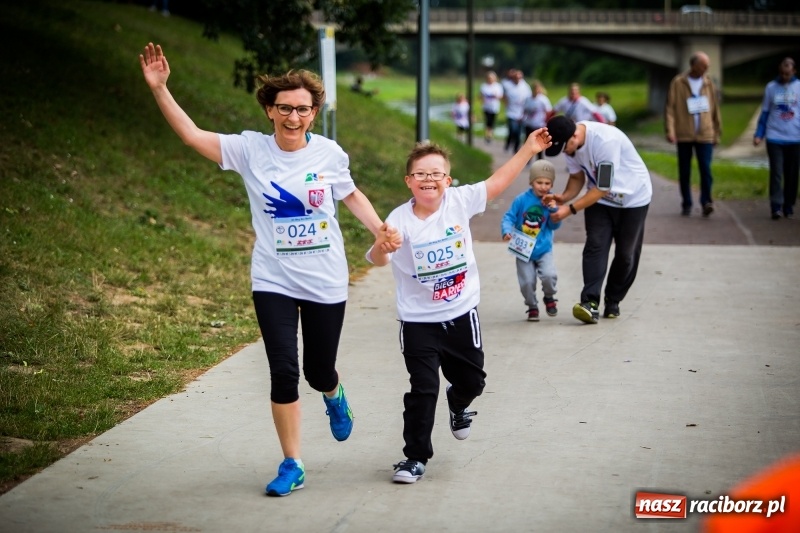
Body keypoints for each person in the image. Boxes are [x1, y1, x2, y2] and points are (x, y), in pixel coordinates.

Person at [139, 42, 400, 497]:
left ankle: (334, 395)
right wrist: (161, 90)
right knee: (283, 371)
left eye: (302, 109)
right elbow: (192, 135)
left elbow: (351, 195)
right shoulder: (249, 150)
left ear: (314, 112)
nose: (293, 118)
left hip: (324, 280)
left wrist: (380, 228)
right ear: (269, 110)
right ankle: (292, 462)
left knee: (319, 372)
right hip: (273, 278)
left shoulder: (330, 155)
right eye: (284, 108)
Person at [367, 128, 552, 484]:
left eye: (436, 174)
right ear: (409, 181)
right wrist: (381, 248)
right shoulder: (398, 220)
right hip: (418, 321)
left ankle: (459, 401)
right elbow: (377, 259)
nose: (429, 180)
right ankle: (414, 458)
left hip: (461, 315)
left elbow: (498, 182)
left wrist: (530, 148)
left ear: (447, 181)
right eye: (421, 174)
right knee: (423, 388)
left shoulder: (459, 201)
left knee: (472, 381)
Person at [544, 115, 652, 324]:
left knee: (626, 254)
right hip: (601, 203)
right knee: (595, 245)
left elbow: (603, 187)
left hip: (633, 199)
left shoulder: (605, 142)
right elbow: (577, 177)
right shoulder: (571, 145)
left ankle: (613, 299)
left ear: (575, 135)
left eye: (565, 147)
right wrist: (563, 197)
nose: (565, 152)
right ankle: (590, 303)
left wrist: (570, 209)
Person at [501, 159, 562, 322]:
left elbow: (554, 226)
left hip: (543, 248)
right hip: (522, 249)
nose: (543, 186)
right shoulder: (521, 200)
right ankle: (532, 306)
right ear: (531, 182)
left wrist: (554, 211)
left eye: (548, 183)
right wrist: (506, 231)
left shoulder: (550, 202)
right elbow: (509, 217)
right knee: (527, 281)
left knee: (549, 275)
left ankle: (549, 297)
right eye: (539, 182)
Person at [665, 51, 722, 217]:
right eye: (704, 65)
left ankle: (706, 201)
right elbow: (670, 108)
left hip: (705, 134)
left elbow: (715, 109)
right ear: (694, 65)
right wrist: (671, 130)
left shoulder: (709, 83)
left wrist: (716, 132)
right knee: (685, 171)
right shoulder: (678, 82)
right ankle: (687, 203)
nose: (707, 68)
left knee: (706, 169)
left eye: (708, 65)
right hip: (684, 134)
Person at [753, 57, 800, 220]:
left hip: (795, 137)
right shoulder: (771, 87)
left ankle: (788, 205)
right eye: (781, 73)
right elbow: (765, 112)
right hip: (775, 137)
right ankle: (776, 206)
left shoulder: (799, 87)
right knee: (777, 172)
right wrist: (759, 134)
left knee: (792, 174)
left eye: (787, 74)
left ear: (793, 71)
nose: (784, 76)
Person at [522, 80, 553, 161]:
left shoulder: (543, 99)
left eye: (537, 89)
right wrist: (522, 118)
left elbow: (549, 111)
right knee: (528, 142)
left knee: (539, 143)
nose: (536, 91)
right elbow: (524, 110)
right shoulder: (528, 99)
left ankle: (539, 160)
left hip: (539, 125)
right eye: (534, 89)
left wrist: (547, 121)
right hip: (529, 123)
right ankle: (527, 159)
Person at [503, 69, 532, 154]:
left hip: (522, 113)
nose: (518, 79)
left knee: (519, 132)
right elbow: (504, 96)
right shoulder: (508, 85)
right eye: (516, 77)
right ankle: (509, 142)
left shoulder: (525, 86)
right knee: (513, 130)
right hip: (511, 112)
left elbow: (529, 98)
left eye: (519, 77)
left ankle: (516, 148)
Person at [479, 71, 504, 144]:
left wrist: (496, 96)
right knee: (487, 121)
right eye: (489, 78)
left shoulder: (498, 86)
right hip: (486, 107)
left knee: (492, 122)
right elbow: (480, 95)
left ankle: (490, 134)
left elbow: (501, 96)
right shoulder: (484, 86)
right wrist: (482, 98)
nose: (490, 79)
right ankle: (488, 135)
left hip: (494, 107)